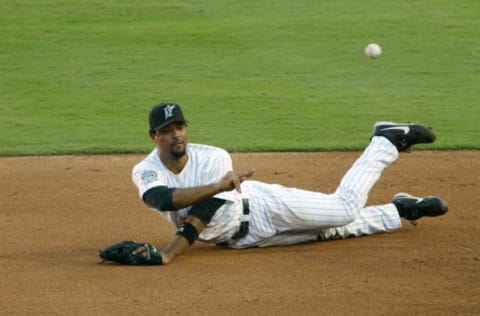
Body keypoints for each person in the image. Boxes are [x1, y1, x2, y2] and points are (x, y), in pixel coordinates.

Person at [130, 102, 448, 265]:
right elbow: (161, 199)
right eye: (167, 129)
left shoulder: (213, 157)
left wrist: (170, 254)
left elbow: (203, 213)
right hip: (242, 238)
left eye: (180, 127)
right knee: (326, 231)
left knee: (344, 210)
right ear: (153, 136)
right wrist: (217, 186)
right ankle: (399, 211)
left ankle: (385, 141)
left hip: (264, 207)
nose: (176, 134)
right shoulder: (146, 169)